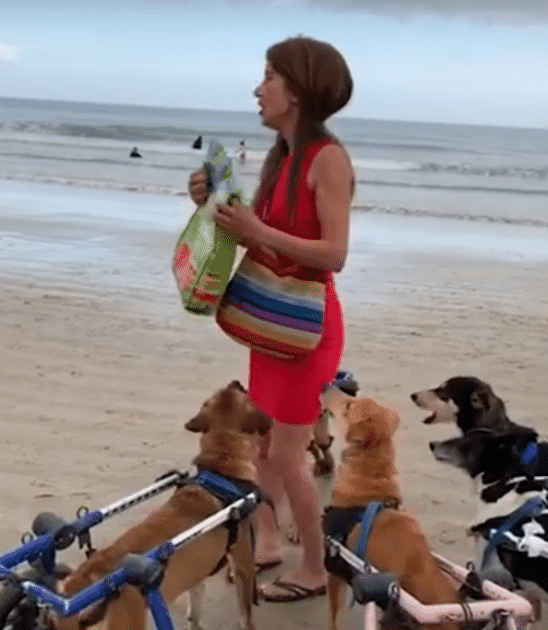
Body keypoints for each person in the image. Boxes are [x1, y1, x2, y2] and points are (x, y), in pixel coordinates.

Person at [185, 35, 355, 603]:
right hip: (272, 323)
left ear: (299, 91)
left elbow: (334, 253)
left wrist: (255, 231)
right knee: (262, 448)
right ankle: (266, 541)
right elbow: (263, 230)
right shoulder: (283, 155)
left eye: (269, 77)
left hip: (307, 329)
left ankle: (316, 566)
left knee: (285, 455)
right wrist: (213, 206)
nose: (258, 90)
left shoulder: (328, 159)